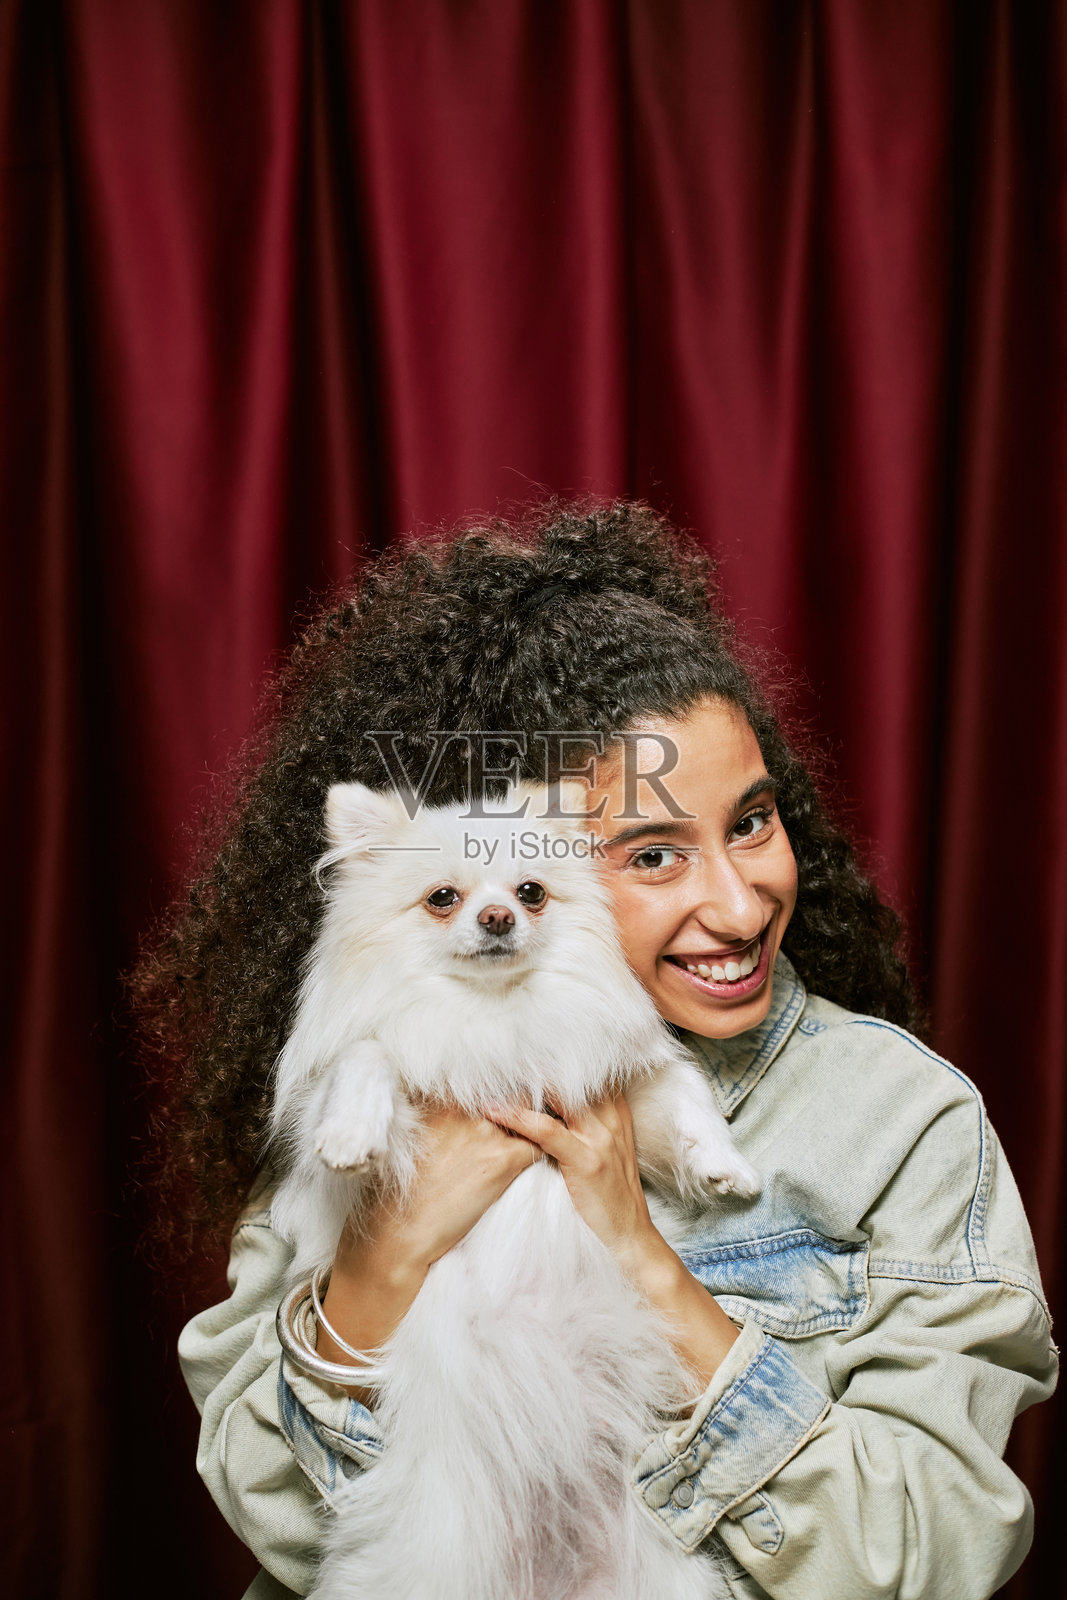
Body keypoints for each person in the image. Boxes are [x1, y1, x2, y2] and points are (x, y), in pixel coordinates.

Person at [137, 502, 1056, 1600]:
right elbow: (274, 1517)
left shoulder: (896, 1119)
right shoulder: (370, 1082)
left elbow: (931, 1554)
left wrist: (644, 1261)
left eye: (753, 822)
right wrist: (380, 1269)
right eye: (653, 853)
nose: (738, 898)